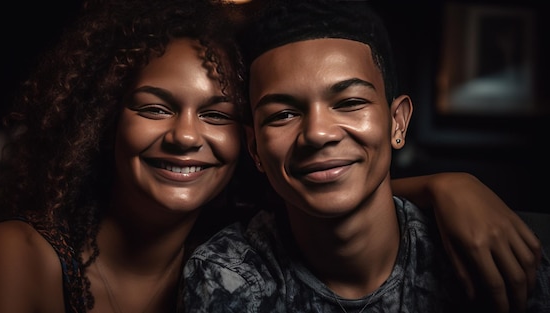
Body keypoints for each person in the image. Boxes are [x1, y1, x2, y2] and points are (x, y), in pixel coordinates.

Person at [0, 0, 542, 312]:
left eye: (216, 115)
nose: (186, 137)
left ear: (247, 146)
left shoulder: (233, 228)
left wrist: (448, 186)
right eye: (155, 108)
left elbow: (338, 189)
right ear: (100, 123)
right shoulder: (23, 254)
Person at [181, 1, 550, 312]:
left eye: (350, 102)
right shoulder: (228, 276)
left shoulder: (488, 250)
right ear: (255, 149)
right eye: (283, 114)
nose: (318, 133)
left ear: (397, 123)